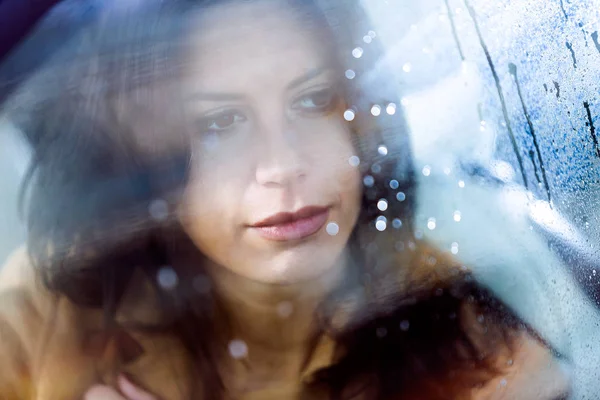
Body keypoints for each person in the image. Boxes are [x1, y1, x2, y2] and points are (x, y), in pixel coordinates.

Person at [0, 0, 570, 398]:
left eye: (313, 100)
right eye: (220, 123)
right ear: (150, 160)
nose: (282, 166)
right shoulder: (50, 314)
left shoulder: (471, 343)